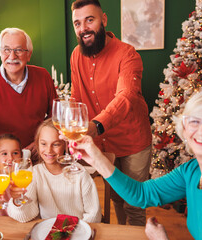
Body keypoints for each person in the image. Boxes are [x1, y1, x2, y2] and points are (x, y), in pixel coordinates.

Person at [67, 88, 202, 239]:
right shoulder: (193, 170)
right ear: (185, 128)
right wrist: (95, 157)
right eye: (194, 121)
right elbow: (141, 194)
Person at [70, 0, 152, 226]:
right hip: (104, 144)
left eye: (90, 20)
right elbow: (76, 96)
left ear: (103, 20)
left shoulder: (128, 54)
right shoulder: (76, 55)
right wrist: (69, 120)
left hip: (133, 141)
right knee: (117, 198)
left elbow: (126, 96)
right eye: (77, 23)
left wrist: (94, 126)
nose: (83, 28)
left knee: (134, 203)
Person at [0, 27, 57, 161]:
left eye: (19, 50)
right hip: (3, 159)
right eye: (6, 50)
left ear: (29, 54)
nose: (12, 56)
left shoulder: (43, 76)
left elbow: (55, 117)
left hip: (37, 156)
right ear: (0, 53)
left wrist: (40, 142)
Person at [7, 119, 101, 223]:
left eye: (56, 144)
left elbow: (94, 215)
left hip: (77, 232)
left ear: (66, 145)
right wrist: (17, 201)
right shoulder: (34, 173)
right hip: (47, 232)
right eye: (43, 144)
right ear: (37, 144)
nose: (48, 150)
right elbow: (26, 216)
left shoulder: (80, 173)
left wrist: (76, 231)